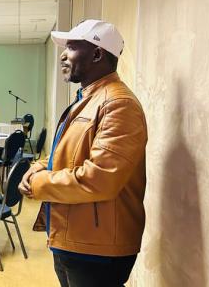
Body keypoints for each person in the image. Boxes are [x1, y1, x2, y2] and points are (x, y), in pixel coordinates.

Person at [18, 20, 148, 287]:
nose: (63, 55)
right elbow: (67, 154)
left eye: (72, 47)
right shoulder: (88, 98)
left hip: (97, 248)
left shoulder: (118, 104)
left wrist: (39, 183)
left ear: (97, 54)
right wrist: (36, 168)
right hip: (75, 235)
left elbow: (99, 178)